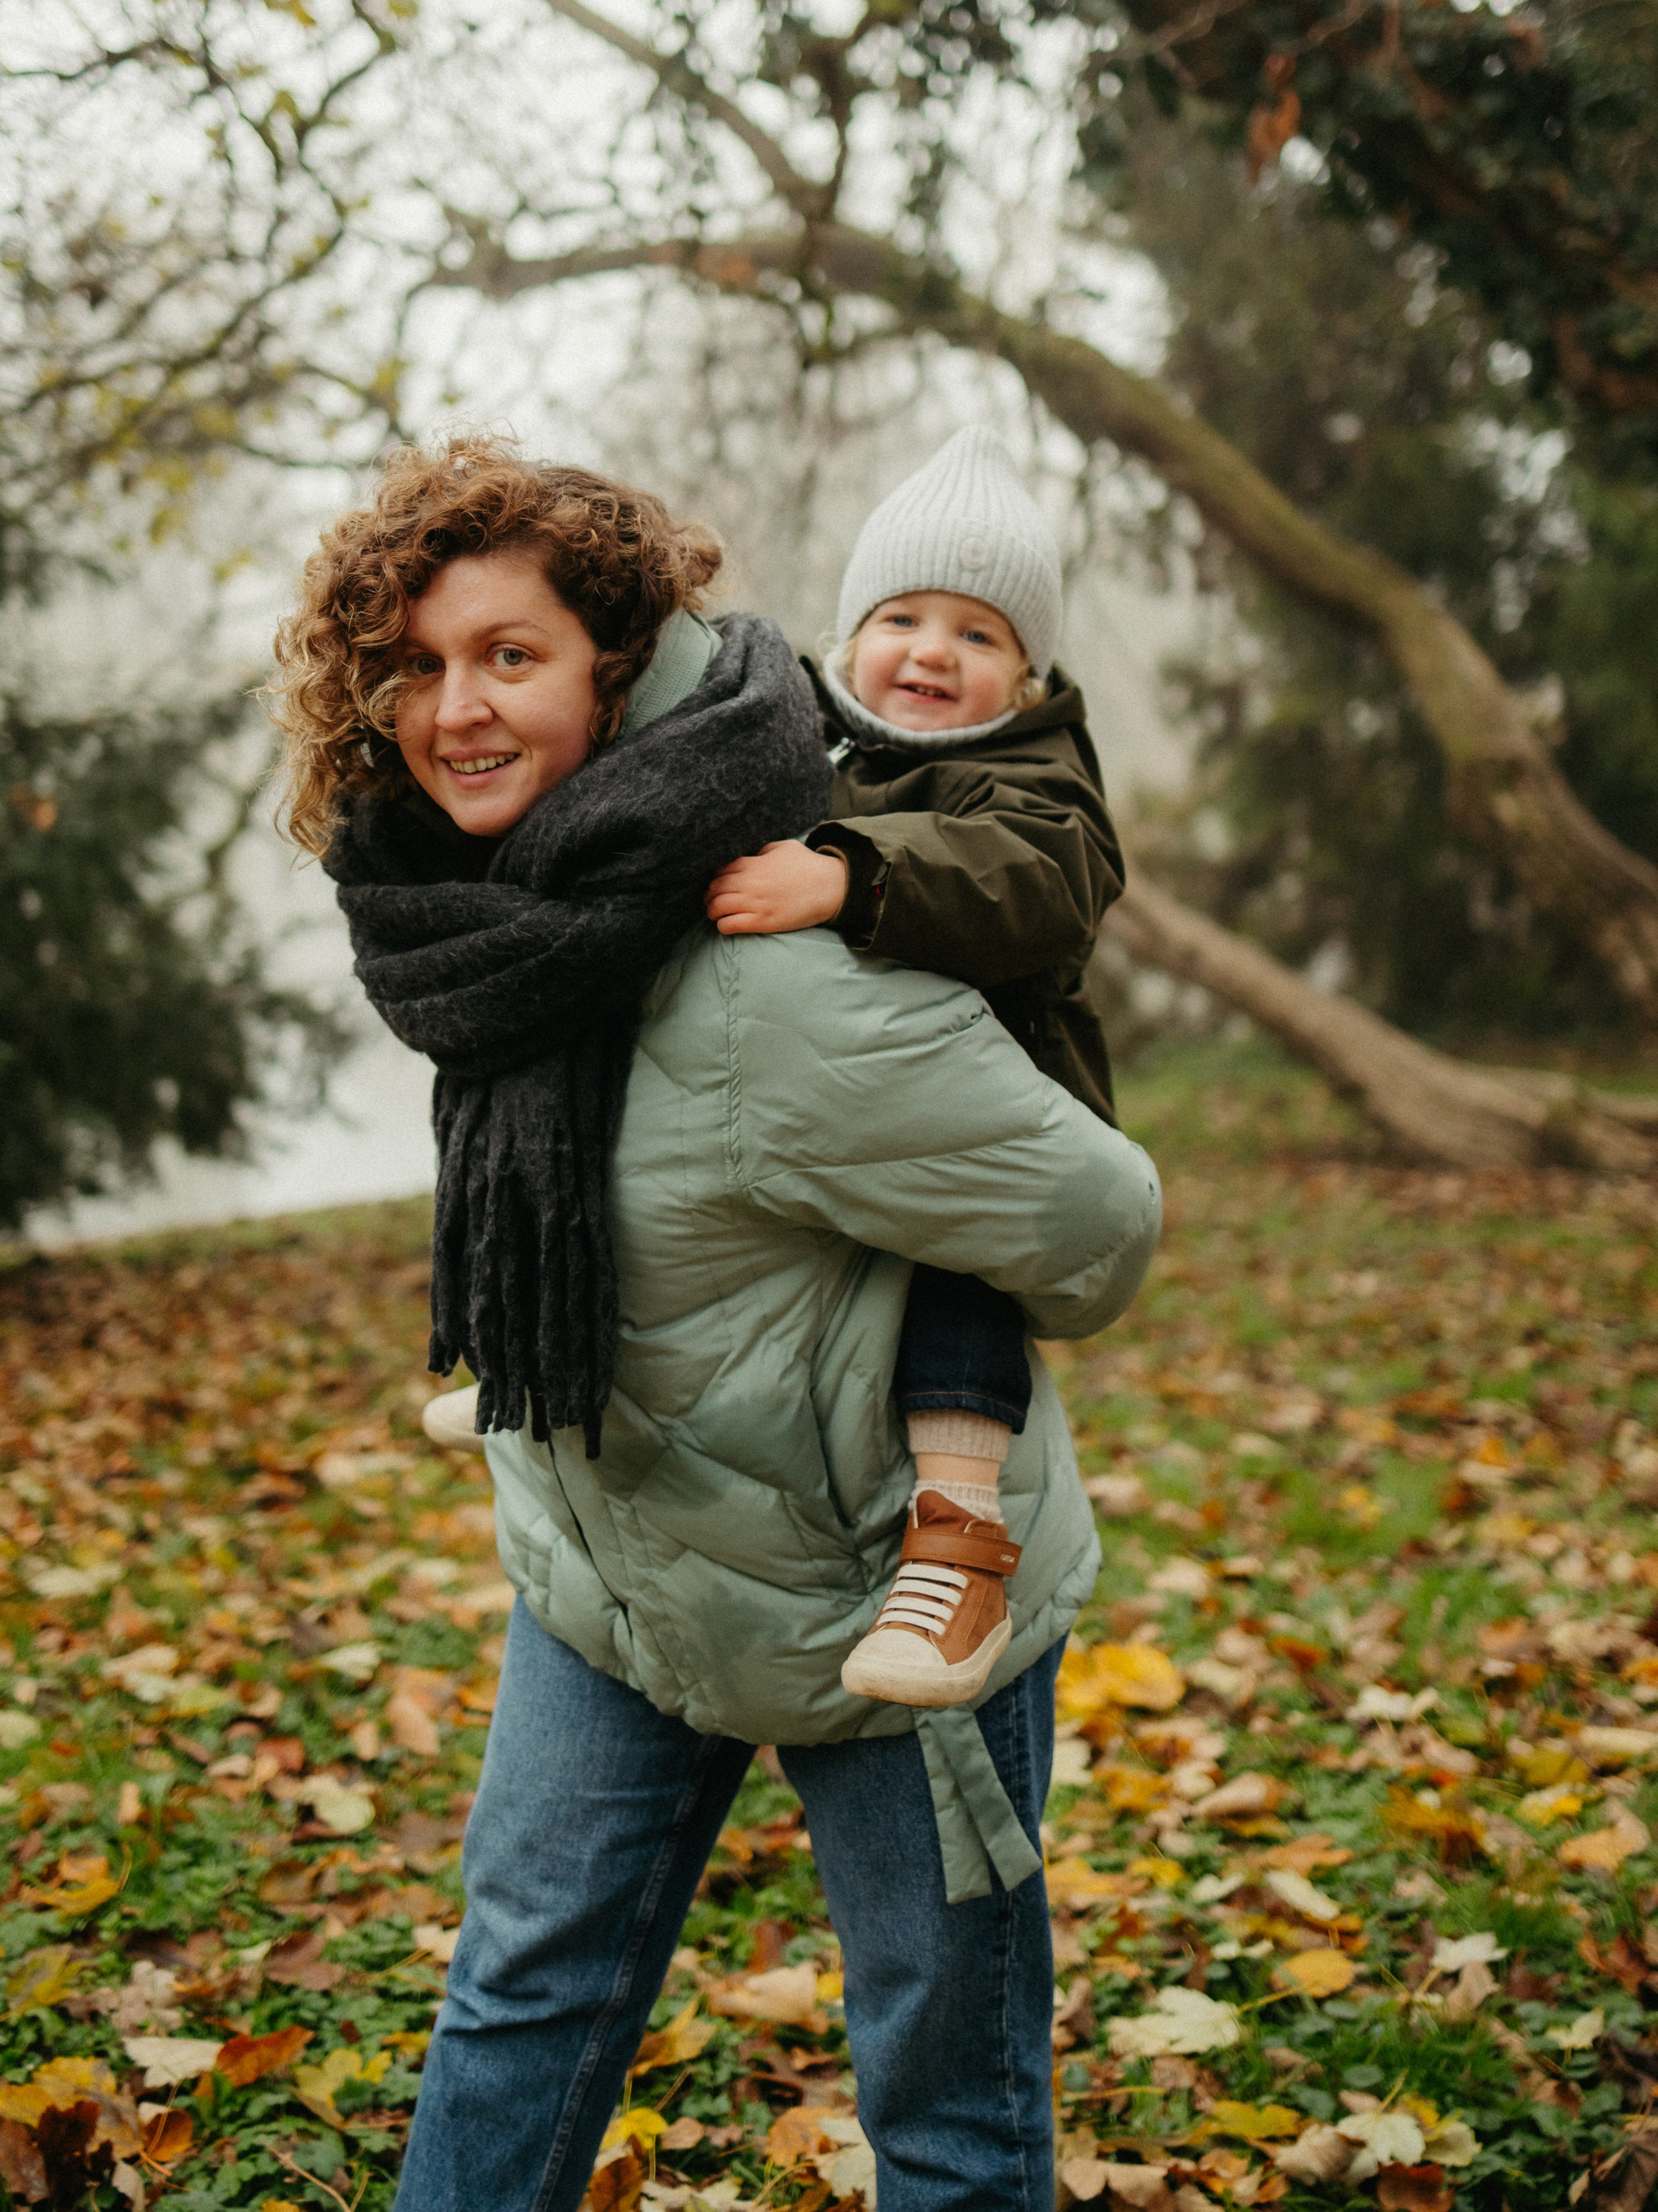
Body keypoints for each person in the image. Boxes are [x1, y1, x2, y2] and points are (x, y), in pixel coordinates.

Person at [274, 438, 1160, 2212]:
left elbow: (1096, 1229)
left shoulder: (773, 963)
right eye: (417, 667)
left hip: (882, 1607)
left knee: (946, 2113)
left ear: (609, 664)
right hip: (611, 1573)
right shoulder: (509, 907)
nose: (453, 708)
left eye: (507, 656)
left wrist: (932, 1334)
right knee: (516, 2012)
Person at [702, 425, 1124, 1709]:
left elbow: (1038, 888)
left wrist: (852, 871)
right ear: (848, 634)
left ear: (1025, 673)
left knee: (954, 1281)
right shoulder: (790, 746)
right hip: (802, 1099)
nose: (933, 651)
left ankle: (957, 1540)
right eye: (902, 616)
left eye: (977, 633)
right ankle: (553, 1357)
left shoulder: (1037, 782)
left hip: (979, 1112)